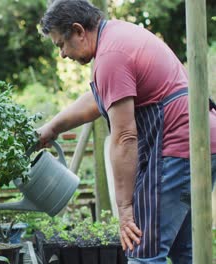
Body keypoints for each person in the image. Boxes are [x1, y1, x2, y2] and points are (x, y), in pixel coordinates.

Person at [37, 0, 216, 263]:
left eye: (60, 45)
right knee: (185, 252)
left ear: (78, 30)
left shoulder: (111, 55)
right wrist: (52, 128)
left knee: (142, 249)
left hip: (177, 148)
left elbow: (124, 138)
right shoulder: (118, 37)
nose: (62, 54)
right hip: (201, 142)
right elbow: (98, 99)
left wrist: (125, 210)